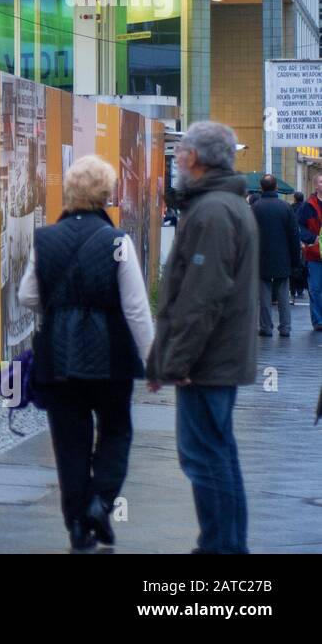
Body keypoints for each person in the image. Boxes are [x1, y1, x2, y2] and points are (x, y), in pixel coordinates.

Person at [19, 155, 153, 553]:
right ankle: (101, 503)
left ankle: (77, 524)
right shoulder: (118, 242)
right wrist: (154, 360)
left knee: (69, 442)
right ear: (107, 195)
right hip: (111, 356)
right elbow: (136, 308)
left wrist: (60, 309)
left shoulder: (45, 239)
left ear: (70, 192)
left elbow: (27, 295)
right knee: (115, 431)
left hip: (58, 358)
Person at [148, 122, 258, 555]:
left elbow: (201, 298)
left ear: (195, 157)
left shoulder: (213, 212)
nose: (176, 160)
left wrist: (178, 362)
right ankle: (227, 545)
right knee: (218, 455)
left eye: (180, 153)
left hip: (207, 361)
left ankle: (220, 548)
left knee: (205, 458)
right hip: (215, 358)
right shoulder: (221, 205)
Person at [251, 174, 298, 337]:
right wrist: (295, 259)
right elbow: (293, 235)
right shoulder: (285, 207)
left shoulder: (255, 208)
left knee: (263, 295)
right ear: (276, 187)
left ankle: (266, 327)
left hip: (261, 256)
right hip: (282, 256)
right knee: (283, 294)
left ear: (262, 188)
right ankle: (285, 327)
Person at [299, 175, 322, 330]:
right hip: (314, 254)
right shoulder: (308, 205)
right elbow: (299, 226)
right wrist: (312, 238)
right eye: (321, 181)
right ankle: (318, 320)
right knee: (314, 289)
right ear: (315, 185)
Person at [290, 192, 307, 300]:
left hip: (294, 239)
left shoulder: (291, 208)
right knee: (302, 265)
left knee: (293, 265)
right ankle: (301, 288)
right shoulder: (306, 207)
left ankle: (293, 289)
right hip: (304, 240)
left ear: (295, 199)